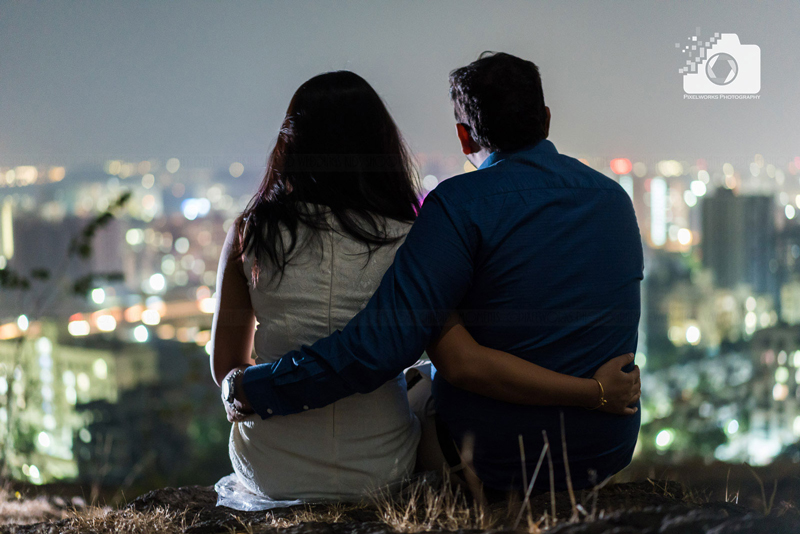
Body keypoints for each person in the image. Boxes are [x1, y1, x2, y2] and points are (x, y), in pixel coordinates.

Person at [212, 65, 641, 501]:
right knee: (423, 373)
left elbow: (397, 354)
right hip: (604, 451)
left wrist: (257, 387)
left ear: (464, 136)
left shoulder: (456, 207)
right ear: (546, 119)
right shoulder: (614, 200)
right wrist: (597, 393)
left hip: (497, 460)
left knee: (427, 374)